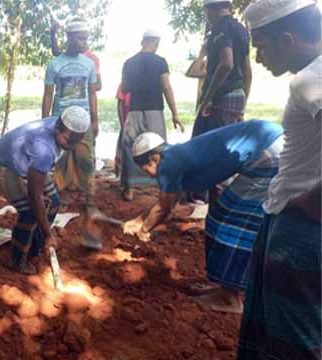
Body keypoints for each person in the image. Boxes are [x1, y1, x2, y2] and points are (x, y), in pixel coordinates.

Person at [123, 120, 283, 314]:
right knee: (219, 215)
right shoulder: (174, 156)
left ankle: (230, 299)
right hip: (268, 146)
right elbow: (168, 203)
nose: (148, 175)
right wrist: (139, 220)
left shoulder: (168, 165)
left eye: (145, 169)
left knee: (233, 223)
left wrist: (143, 231)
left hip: (268, 154)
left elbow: (164, 208)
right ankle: (224, 289)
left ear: (154, 159)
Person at [238, 1, 321, 358]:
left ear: (287, 39)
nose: (257, 58)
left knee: (292, 341)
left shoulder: (309, 81)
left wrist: (308, 207)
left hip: (301, 226)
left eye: (261, 46)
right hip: (290, 214)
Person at [0, 106, 91, 274]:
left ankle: (35, 247)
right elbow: (34, 195)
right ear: (58, 128)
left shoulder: (64, 126)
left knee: (54, 202)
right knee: (28, 212)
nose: (71, 146)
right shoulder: (44, 149)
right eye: (67, 140)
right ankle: (17, 260)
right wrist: (50, 233)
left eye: (75, 142)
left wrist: (45, 233)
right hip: (3, 164)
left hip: (28, 163)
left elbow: (41, 187)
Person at [120, 29, 184, 201]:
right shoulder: (160, 62)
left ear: (143, 41)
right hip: (154, 110)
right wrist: (175, 113)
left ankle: (130, 188)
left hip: (134, 110)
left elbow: (124, 88)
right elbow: (166, 87)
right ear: (156, 43)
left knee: (129, 146)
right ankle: (162, 186)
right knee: (158, 147)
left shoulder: (129, 63)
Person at [43, 20, 99, 212]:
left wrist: (95, 119)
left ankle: (89, 197)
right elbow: (48, 94)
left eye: (86, 38)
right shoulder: (54, 64)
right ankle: (62, 195)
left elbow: (92, 93)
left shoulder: (89, 64)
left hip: (83, 119)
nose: (85, 43)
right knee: (61, 159)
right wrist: (45, 121)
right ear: (70, 38)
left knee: (86, 157)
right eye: (81, 38)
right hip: (61, 118)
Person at [194, 0, 252, 138]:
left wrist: (207, 98)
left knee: (206, 144)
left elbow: (227, 64)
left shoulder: (220, 28)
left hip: (221, 97)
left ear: (210, 9)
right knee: (229, 143)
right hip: (238, 94)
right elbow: (247, 72)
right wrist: (242, 106)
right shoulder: (241, 29)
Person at [50, 22, 102, 91]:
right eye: (81, 38)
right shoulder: (65, 58)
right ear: (69, 39)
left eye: (85, 39)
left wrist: (77, 87)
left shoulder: (92, 58)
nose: (84, 42)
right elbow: (56, 52)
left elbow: (98, 86)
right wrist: (52, 34)